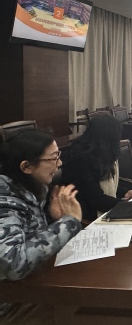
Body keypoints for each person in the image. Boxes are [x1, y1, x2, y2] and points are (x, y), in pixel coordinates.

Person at [0, 129, 82, 322]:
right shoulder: (5, 203)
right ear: (27, 166)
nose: (59, 163)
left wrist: (54, 220)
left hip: (32, 287)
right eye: (53, 158)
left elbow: (30, 236)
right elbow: (13, 263)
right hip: (13, 303)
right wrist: (68, 223)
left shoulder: (29, 188)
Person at [61, 115, 132, 222]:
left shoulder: (101, 153)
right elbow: (96, 199)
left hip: (101, 206)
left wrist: (125, 192)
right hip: (88, 216)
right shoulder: (80, 159)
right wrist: (125, 204)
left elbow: (107, 181)